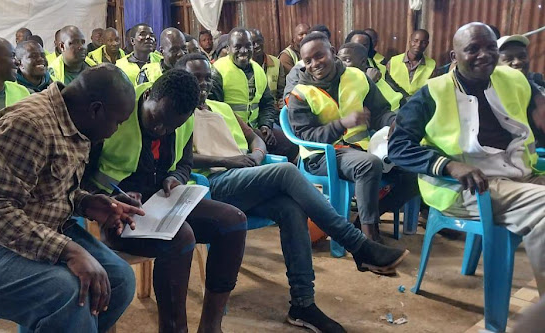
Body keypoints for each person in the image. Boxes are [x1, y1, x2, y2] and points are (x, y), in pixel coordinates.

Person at [178, 52, 409, 333]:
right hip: (211, 186)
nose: (202, 84)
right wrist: (228, 161)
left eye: (206, 78)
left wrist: (256, 153)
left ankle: (303, 304)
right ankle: (357, 245)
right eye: (195, 78)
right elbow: (181, 161)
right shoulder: (179, 112)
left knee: (290, 208)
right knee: (286, 170)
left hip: (242, 177)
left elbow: (254, 137)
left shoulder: (222, 108)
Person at [0, 64, 140, 333]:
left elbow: (45, 188)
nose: (116, 131)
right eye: (118, 122)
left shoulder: (77, 122)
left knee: (119, 280)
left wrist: (86, 202)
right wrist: (70, 250)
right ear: (96, 110)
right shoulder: (29, 124)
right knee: (68, 294)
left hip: (27, 230)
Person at [388, 22, 545, 295]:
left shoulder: (513, 79)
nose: (484, 55)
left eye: (490, 47)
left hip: (519, 174)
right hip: (467, 187)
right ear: (454, 57)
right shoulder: (432, 93)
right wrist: (448, 165)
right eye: (473, 49)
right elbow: (398, 146)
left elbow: (539, 115)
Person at [85, 69, 247, 333]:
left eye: (172, 126)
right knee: (180, 238)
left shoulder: (183, 116)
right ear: (147, 95)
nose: (162, 130)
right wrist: (108, 197)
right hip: (117, 212)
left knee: (233, 222)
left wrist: (176, 176)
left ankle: (211, 326)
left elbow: (185, 162)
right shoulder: (116, 111)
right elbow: (80, 175)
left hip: (163, 201)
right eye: (157, 119)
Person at [287, 32, 419, 242]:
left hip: (362, 149)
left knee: (414, 169)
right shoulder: (300, 94)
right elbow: (307, 135)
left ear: (332, 52)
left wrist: (394, 122)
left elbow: (379, 111)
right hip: (322, 155)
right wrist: (342, 124)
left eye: (319, 56)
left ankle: (361, 222)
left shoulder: (357, 77)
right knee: (368, 165)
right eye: (308, 60)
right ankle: (368, 240)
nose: (314, 64)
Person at [210, 28, 300, 162]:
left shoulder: (257, 70)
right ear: (228, 49)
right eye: (238, 47)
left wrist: (265, 126)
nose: (244, 51)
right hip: (230, 131)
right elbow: (215, 110)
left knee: (291, 146)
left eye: (248, 46)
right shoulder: (218, 71)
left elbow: (267, 104)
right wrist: (251, 133)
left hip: (257, 127)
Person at [338, 43, 404, 111]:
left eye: (347, 60)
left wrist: (369, 81)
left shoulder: (371, 76)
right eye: (339, 60)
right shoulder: (345, 77)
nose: (342, 64)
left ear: (363, 62)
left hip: (393, 111)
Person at [386, 29, 435, 96]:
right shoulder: (393, 62)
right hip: (395, 103)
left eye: (423, 42)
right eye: (415, 41)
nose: (418, 45)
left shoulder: (432, 65)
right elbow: (386, 85)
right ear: (410, 41)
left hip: (418, 104)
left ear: (427, 44)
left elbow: (431, 90)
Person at [251, 28, 286, 107]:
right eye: (253, 43)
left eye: (259, 41)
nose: (257, 45)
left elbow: (281, 91)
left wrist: (281, 102)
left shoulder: (276, 62)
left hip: (273, 109)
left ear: (263, 40)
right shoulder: (246, 65)